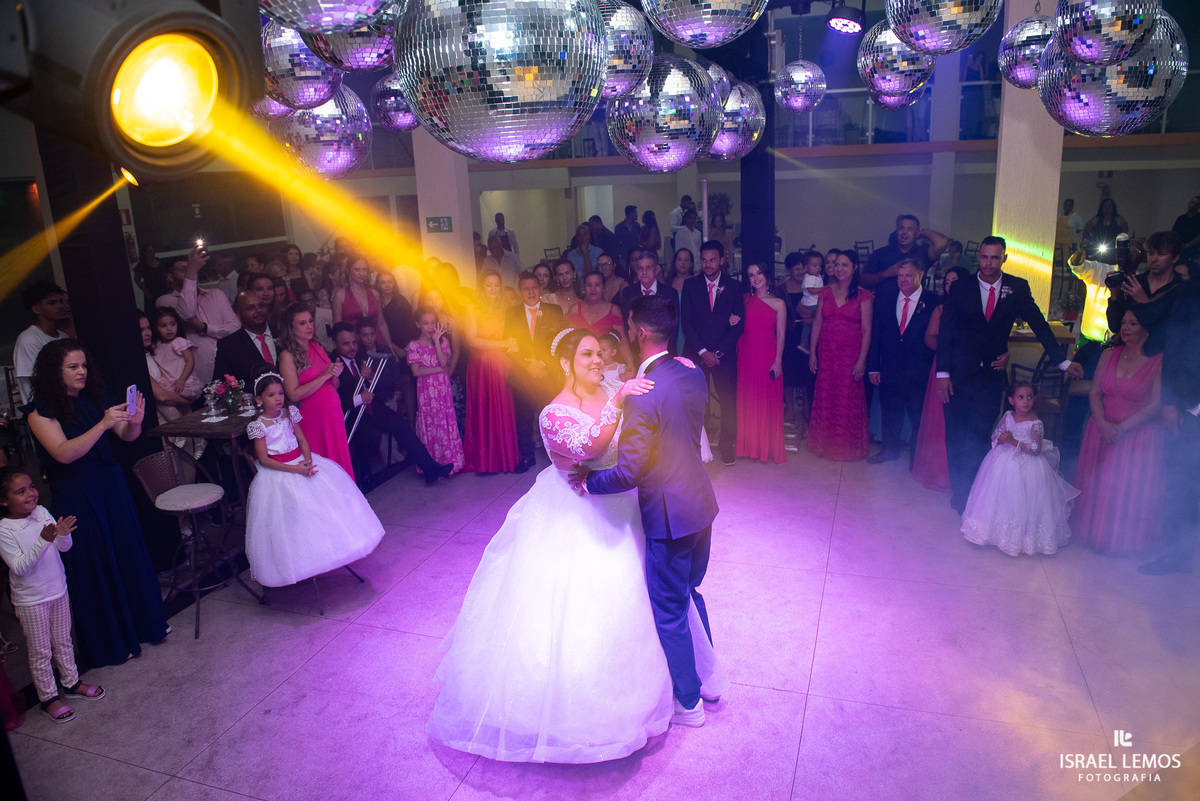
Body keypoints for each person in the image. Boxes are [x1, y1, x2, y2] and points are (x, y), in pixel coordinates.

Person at [429, 321, 725, 762]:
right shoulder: (554, 412)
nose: (598, 360)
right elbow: (591, 445)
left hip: (621, 504)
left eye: (599, 353)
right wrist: (620, 402)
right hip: (577, 510)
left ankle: (673, 682)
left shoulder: (611, 392)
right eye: (586, 355)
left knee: (653, 599)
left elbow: (640, 433)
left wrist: (672, 371)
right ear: (566, 363)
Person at [577, 296, 728, 727]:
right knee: (690, 592)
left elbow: (627, 472)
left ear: (637, 332)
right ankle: (709, 679)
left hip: (669, 515)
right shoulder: (691, 370)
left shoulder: (641, 394)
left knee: (668, 607)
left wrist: (590, 482)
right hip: (700, 502)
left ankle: (688, 703)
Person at [25, 340, 169, 667]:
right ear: (54, 371)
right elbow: (62, 453)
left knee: (126, 552)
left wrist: (135, 421)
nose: (81, 372)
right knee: (96, 564)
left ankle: (144, 625)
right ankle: (112, 641)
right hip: (78, 491)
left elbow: (125, 436)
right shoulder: (40, 410)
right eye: (73, 367)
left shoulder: (96, 397)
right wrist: (102, 423)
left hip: (110, 483)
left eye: (84, 366)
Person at [936, 236, 1084, 514]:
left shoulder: (1017, 287)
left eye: (994, 258)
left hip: (992, 377)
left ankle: (976, 491)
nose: (988, 263)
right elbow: (947, 330)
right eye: (984, 257)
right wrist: (942, 373)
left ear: (1004, 258)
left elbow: (1040, 324)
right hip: (959, 373)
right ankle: (959, 491)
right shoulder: (960, 287)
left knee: (981, 434)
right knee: (955, 433)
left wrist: (1062, 362)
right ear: (978, 257)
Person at [243, 371, 384, 588]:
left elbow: (301, 439)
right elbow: (263, 459)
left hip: (301, 462)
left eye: (280, 393)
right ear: (259, 400)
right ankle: (302, 562)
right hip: (280, 471)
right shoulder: (259, 425)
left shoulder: (289, 413)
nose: (279, 398)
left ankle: (332, 552)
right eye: (271, 395)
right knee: (296, 512)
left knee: (327, 504)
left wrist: (307, 461)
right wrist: (295, 470)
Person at [0, 468, 106, 724]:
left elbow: (63, 548)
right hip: (31, 601)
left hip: (57, 589)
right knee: (40, 651)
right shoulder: (5, 529)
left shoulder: (41, 512)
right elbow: (20, 567)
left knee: (63, 641)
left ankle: (71, 682)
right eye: (20, 491)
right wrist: (44, 540)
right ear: (3, 501)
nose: (31, 493)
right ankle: (48, 698)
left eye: (32, 486)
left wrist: (63, 535)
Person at [1072, 308, 1164, 553]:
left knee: (1124, 486)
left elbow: (1156, 405)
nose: (1125, 328)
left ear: (1146, 328)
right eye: (1123, 322)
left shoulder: (1158, 360)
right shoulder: (1109, 354)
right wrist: (1102, 423)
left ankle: (1121, 541)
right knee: (1099, 481)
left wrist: (1121, 429)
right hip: (1100, 427)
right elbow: (1094, 392)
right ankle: (1092, 533)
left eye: (1133, 323)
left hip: (1135, 434)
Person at [960, 382, 1079, 556]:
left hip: (1028, 465)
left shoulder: (1035, 423)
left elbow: (1035, 449)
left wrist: (1012, 441)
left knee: (1025, 498)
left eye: (1030, 397)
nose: (1026, 401)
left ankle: (1023, 538)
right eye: (1021, 397)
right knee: (999, 495)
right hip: (1002, 461)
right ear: (1011, 400)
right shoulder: (1008, 416)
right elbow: (996, 435)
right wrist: (1001, 438)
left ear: (1035, 399)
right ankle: (994, 533)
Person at [331, 324, 453, 487]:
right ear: (334, 344)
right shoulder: (331, 363)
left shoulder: (361, 354)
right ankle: (364, 477)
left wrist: (370, 377)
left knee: (401, 425)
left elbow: (376, 384)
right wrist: (360, 399)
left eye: (354, 342)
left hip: (371, 405)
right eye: (346, 344)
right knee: (369, 435)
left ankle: (430, 469)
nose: (352, 347)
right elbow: (334, 400)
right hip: (351, 411)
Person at [1140, 276, 1200, 575]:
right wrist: (1170, 402)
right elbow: (1175, 343)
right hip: (1190, 405)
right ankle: (1176, 557)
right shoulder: (1194, 286)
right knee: (1182, 484)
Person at [866, 260, 941, 464]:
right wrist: (873, 367)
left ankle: (917, 458)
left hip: (920, 371)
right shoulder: (885, 299)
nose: (904, 280)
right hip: (890, 368)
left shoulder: (934, 302)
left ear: (920, 275)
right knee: (890, 412)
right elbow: (876, 335)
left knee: (918, 416)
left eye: (908, 275)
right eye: (900, 276)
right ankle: (890, 449)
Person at [681, 241, 744, 465]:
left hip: (723, 357)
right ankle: (695, 447)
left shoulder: (734, 287)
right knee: (695, 402)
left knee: (728, 402)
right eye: (704, 260)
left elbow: (738, 324)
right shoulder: (690, 285)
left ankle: (727, 446)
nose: (708, 264)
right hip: (696, 354)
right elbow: (686, 323)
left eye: (712, 260)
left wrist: (717, 352)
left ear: (722, 260)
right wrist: (703, 351)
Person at [807, 250, 874, 462]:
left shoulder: (864, 295)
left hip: (850, 356)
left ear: (854, 268)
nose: (840, 269)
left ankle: (845, 448)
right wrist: (812, 353)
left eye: (845, 265)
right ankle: (823, 446)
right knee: (826, 395)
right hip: (826, 354)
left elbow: (867, 330)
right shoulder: (825, 292)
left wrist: (862, 360)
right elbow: (817, 322)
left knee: (847, 399)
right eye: (837, 265)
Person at [277, 303, 354, 477]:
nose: (309, 326)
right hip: (312, 418)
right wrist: (325, 376)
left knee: (338, 460)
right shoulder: (287, 356)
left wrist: (335, 375)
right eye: (302, 323)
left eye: (310, 321)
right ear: (291, 327)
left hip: (333, 415)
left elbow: (333, 385)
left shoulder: (317, 347)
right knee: (322, 464)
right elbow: (293, 393)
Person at [911, 266, 971, 492]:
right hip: (943, 367)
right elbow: (928, 338)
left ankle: (961, 475)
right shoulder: (940, 308)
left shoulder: (975, 309)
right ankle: (938, 474)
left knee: (962, 422)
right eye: (946, 282)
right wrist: (949, 352)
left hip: (966, 368)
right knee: (939, 422)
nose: (950, 285)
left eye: (955, 281)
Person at [503, 272, 566, 473]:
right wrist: (527, 365)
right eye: (526, 288)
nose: (531, 291)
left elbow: (560, 342)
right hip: (523, 374)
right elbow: (508, 345)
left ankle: (557, 456)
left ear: (540, 289)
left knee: (552, 416)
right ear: (520, 291)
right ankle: (526, 457)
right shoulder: (511, 313)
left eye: (534, 287)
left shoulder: (554, 311)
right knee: (523, 418)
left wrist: (542, 363)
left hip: (547, 373)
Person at [463, 271, 520, 474]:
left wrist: (511, 344)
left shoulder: (504, 307)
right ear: (482, 287)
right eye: (489, 285)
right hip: (481, 364)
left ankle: (504, 458)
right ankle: (486, 462)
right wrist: (503, 343)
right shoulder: (472, 308)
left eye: (497, 285)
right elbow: (473, 340)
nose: (494, 289)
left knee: (502, 409)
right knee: (483, 408)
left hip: (500, 362)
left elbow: (511, 333)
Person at [156, 246, 240, 385]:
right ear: (170, 277)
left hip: (229, 367)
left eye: (189, 267)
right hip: (196, 376)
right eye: (182, 269)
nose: (188, 270)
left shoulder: (216, 295)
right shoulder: (165, 301)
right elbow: (188, 313)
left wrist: (205, 328)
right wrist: (192, 272)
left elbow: (236, 328)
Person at [736, 262, 786, 463]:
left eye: (759, 273)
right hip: (746, 353)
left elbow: (781, 333)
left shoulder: (778, 303)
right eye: (751, 274)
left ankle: (766, 448)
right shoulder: (743, 301)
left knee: (765, 399)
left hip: (767, 354)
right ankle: (749, 447)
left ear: (766, 276)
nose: (755, 277)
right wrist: (733, 319)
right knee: (748, 398)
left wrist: (778, 361)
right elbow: (735, 324)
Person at [407, 308, 465, 475]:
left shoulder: (443, 342)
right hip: (426, 392)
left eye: (433, 322)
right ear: (418, 324)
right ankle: (433, 465)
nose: (430, 327)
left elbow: (444, 362)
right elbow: (416, 372)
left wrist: (437, 342)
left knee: (444, 421)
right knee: (431, 423)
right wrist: (438, 369)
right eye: (426, 323)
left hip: (442, 390)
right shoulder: (413, 346)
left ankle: (451, 463)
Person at [1102, 231, 1186, 338]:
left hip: (1161, 350)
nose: (1154, 259)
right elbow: (1115, 326)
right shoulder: (1135, 282)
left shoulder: (1181, 288)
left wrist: (1144, 302)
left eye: (1161, 254)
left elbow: (1175, 330)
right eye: (1151, 253)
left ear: (1175, 258)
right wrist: (1114, 296)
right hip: (1131, 349)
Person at [14, 282, 73, 404]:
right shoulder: (29, 340)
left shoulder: (64, 337)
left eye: (61, 301)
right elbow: (39, 382)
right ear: (36, 309)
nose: (60, 306)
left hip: (68, 407)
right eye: (52, 303)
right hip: (44, 412)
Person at [333, 257, 403, 360]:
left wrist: (390, 346)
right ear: (349, 271)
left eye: (364, 269)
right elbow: (337, 327)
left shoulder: (374, 293)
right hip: (353, 344)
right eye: (357, 269)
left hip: (376, 340)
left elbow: (381, 323)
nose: (362, 273)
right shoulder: (340, 295)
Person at [861, 214, 949, 291]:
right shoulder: (881, 253)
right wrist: (886, 273)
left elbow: (942, 242)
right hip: (885, 306)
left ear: (916, 232)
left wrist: (923, 232)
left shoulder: (923, 252)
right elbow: (863, 281)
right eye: (901, 228)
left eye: (910, 229)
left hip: (914, 308)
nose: (904, 232)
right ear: (896, 231)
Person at [214, 292, 277, 390]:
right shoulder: (229, 346)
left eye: (261, 305)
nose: (258, 310)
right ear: (238, 314)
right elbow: (221, 384)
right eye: (250, 308)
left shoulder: (282, 332)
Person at [150, 307, 203, 402]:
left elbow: (190, 361)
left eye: (173, 324)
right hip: (168, 383)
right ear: (156, 328)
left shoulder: (179, 342)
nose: (169, 329)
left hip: (183, 383)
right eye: (163, 326)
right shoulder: (156, 345)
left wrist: (182, 379)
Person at [131, 244, 169, 312]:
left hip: (164, 288)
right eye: (150, 251)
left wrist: (168, 283)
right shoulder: (142, 265)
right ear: (145, 253)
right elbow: (137, 279)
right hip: (151, 291)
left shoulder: (160, 261)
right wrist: (145, 292)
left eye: (153, 251)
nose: (152, 253)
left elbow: (166, 273)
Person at [612, 204, 641, 271]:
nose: (637, 214)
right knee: (624, 273)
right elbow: (616, 243)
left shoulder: (637, 226)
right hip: (624, 255)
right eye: (635, 212)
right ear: (630, 214)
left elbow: (639, 239)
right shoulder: (619, 227)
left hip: (635, 254)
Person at [1172, 195, 1200, 261]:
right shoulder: (1181, 218)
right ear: (1189, 203)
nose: (1193, 205)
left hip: (1194, 251)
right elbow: (1173, 233)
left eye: (1197, 204)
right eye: (1192, 202)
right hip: (1179, 249)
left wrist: (1188, 245)